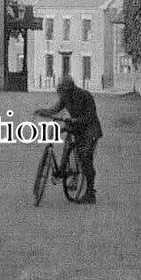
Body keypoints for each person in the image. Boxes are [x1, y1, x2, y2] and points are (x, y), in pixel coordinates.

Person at [37, 75, 102, 203]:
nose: (61, 96)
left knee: (85, 157)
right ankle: (67, 171)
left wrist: (75, 120)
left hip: (90, 130)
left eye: (63, 93)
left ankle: (90, 193)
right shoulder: (65, 97)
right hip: (77, 128)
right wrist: (42, 112)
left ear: (70, 89)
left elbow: (90, 116)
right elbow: (54, 110)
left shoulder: (85, 96)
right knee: (65, 138)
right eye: (60, 93)